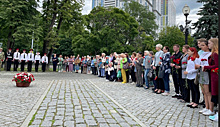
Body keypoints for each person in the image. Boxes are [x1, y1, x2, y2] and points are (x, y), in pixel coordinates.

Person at [195, 39, 213, 115]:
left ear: (207, 46)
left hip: (206, 72)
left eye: (203, 45)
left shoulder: (210, 54)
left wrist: (201, 65)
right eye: (200, 45)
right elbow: (198, 63)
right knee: (204, 92)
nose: (201, 47)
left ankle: (211, 109)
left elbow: (210, 64)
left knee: (208, 92)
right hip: (201, 72)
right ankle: (206, 106)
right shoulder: (201, 54)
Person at [203, 38, 218, 121]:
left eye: (209, 43)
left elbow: (216, 65)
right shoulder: (213, 53)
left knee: (215, 93)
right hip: (212, 75)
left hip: (215, 75)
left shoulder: (215, 54)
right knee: (213, 93)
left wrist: (205, 67)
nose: (208, 45)